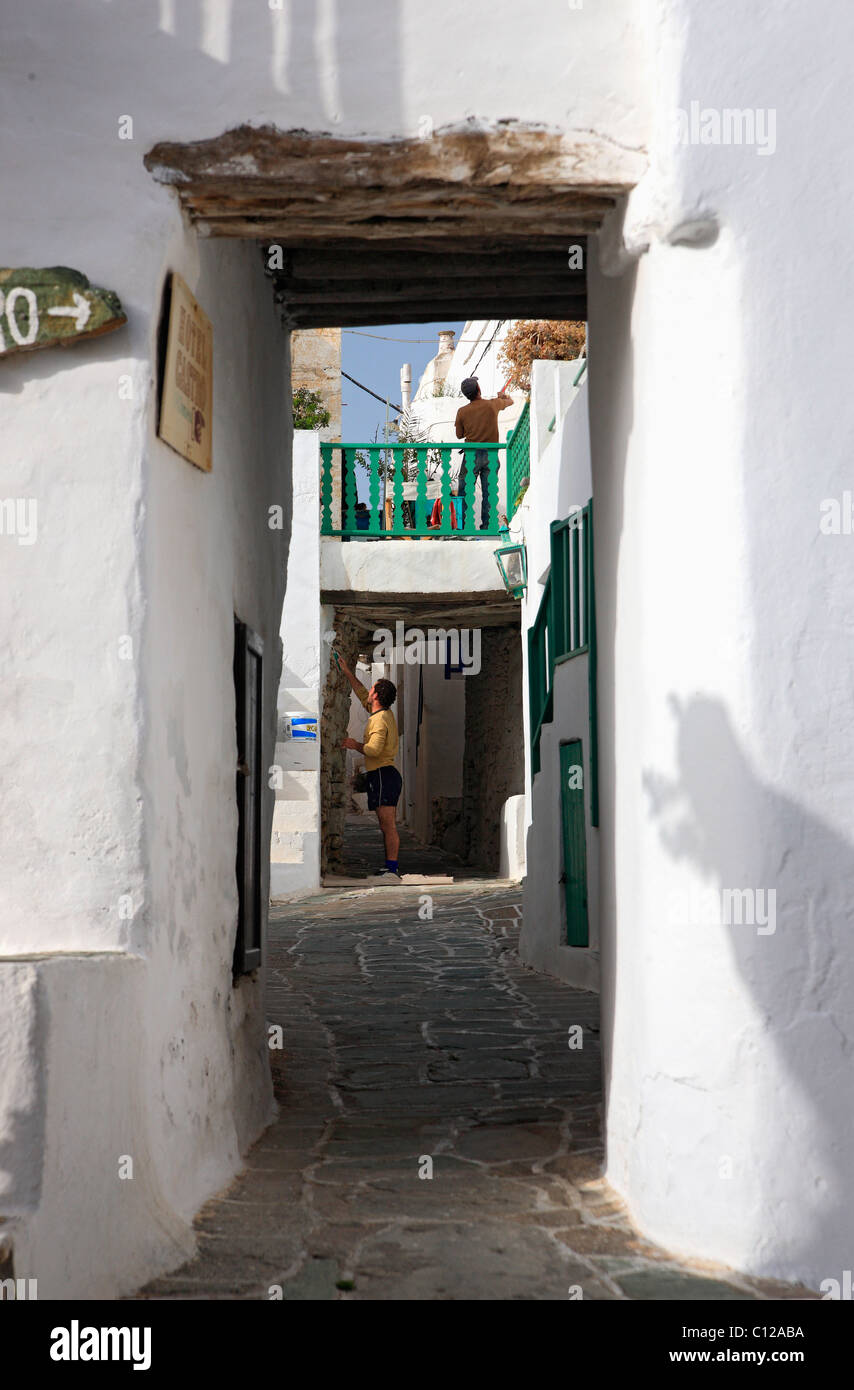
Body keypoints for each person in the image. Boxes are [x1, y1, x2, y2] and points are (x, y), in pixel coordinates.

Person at [337, 654, 402, 881]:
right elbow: (362, 692)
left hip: (384, 774)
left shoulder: (380, 720)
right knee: (385, 824)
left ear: (376, 695)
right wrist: (347, 672)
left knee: (388, 824)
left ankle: (392, 869)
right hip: (383, 775)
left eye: (372, 688)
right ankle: (389, 867)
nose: (369, 690)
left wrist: (353, 744)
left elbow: (374, 750)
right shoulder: (380, 712)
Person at [454, 375, 513, 530]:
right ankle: (487, 525)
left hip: (471, 455)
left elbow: (459, 435)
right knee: (489, 492)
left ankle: (463, 526)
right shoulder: (493, 404)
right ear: (479, 389)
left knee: (465, 490)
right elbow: (510, 401)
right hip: (491, 455)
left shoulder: (462, 411)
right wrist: (503, 396)